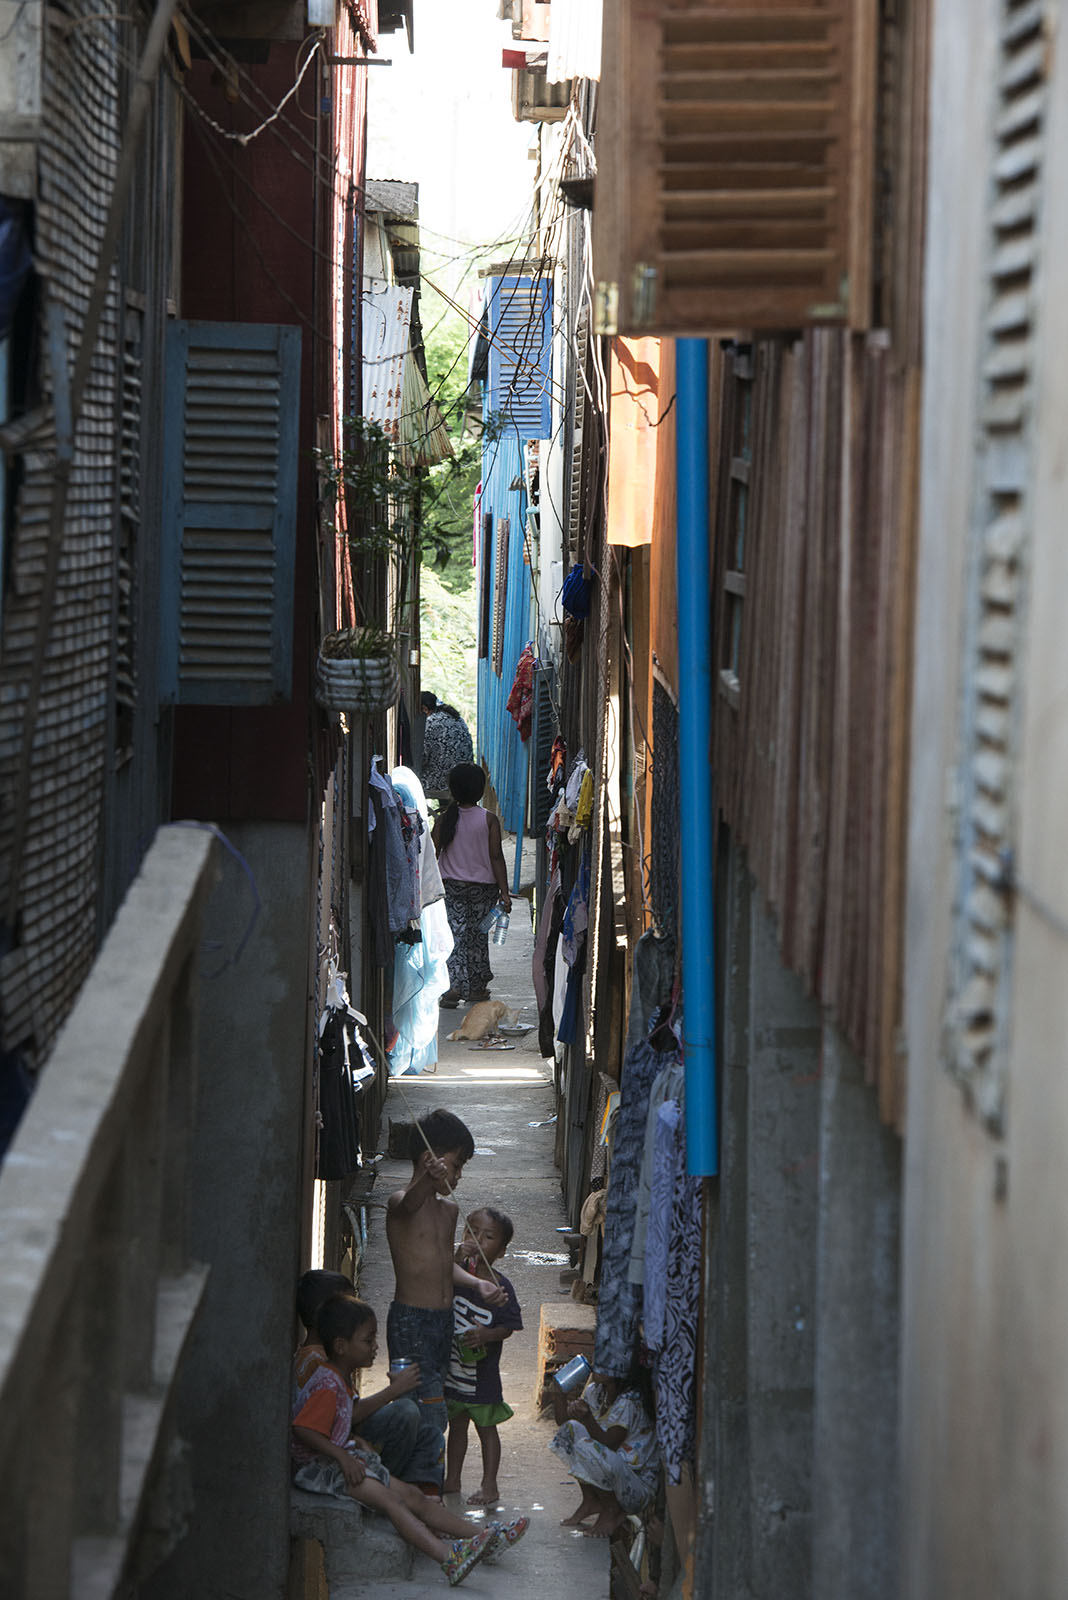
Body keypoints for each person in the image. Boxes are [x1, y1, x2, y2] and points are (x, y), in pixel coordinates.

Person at [291, 1294, 525, 1584]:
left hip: (343, 1459)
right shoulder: (327, 1383)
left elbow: (339, 1419)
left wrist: (352, 1441)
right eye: (368, 1340)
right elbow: (304, 1429)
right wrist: (341, 1455)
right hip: (323, 1469)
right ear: (341, 1346)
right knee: (393, 1502)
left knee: (414, 1496)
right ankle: (448, 1559)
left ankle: (486, 1538)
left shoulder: (339, 1376)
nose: (375, 1347)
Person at [386, 1109, 508, 1477]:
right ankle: (414, 1482)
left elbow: (444, 1267)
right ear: (430, 1159)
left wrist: (478, 1283)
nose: (457, 1176)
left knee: (438, 1405)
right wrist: (427, 1177)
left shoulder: (450, 1210)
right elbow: (409, 1202)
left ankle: (421, 1484)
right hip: (411, 1321)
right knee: (416, 1406)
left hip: (443, 1322)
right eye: (455, 1165)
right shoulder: (399, 1203)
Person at [294, 1268, 443, 1492]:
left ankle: (422, 1496)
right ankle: (397, 1492)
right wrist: (392, 1392)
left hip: (349, 1438)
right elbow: (344, 1417)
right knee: (405, 1411)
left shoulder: (328, 1357)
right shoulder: (319, 1365)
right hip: (335, 1452)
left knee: (430, 1434)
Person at [443, 1207, 523, 1507]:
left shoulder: (501, 1288)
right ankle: (453, 1478)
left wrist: (487, 1335)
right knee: (457, 1426)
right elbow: (440, 1272)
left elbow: (509, 1326)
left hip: (482, 1375)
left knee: (487, 1429)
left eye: (487, 1237)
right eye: (470, 1232)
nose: (476, 1239)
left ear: (501, 1251)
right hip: (453, 1369)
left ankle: (490, 1485)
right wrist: (456, 1256)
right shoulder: (458, 1274)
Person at [432, 764, 511, 1008]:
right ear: (480, 790)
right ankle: (476, 988)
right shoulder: (488, 820)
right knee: (478, 937)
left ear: (453, 790)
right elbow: (496, 857)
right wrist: (505, 893)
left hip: (451, 889)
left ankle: (453, 987)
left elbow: (433, 853)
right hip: (483, 891)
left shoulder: (444, 819)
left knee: (454, 936)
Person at [549, 1367, 658, 1539]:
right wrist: (560, 1392)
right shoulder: (596, 1391)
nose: (596, 1364)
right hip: (617, 1476)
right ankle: (591, 1500)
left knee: (587, 1448)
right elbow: (563, 1421)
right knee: (570, 1430)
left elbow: (609, 1442)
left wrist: (587, 1418)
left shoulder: (629, 1401)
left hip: (637, 1486)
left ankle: (611, 1508)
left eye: (605, 1361)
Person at [420, 691, 474, 800]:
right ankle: (447, 813)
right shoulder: (456, 717)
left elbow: (423, 758)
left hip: (443, 782)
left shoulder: (430, 723)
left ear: (425, 709)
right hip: (465, 778)